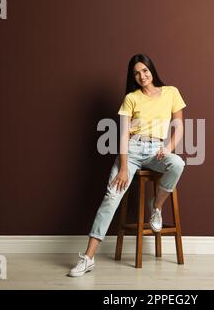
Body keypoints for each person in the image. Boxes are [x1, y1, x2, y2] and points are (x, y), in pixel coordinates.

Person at [68, 54, 187, 277]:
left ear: (152, 70)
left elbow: (179, 126)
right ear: (133, 77)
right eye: (136, 73)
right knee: (111, 197)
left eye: (145, 70)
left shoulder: (171, 92)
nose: (142, 76)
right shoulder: (131, 98)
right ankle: (88, 257)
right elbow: (123, 135)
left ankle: (157, 206)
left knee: (178, 164)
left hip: (156, 151)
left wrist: (169, 147)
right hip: (131, 151)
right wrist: (123, 167)